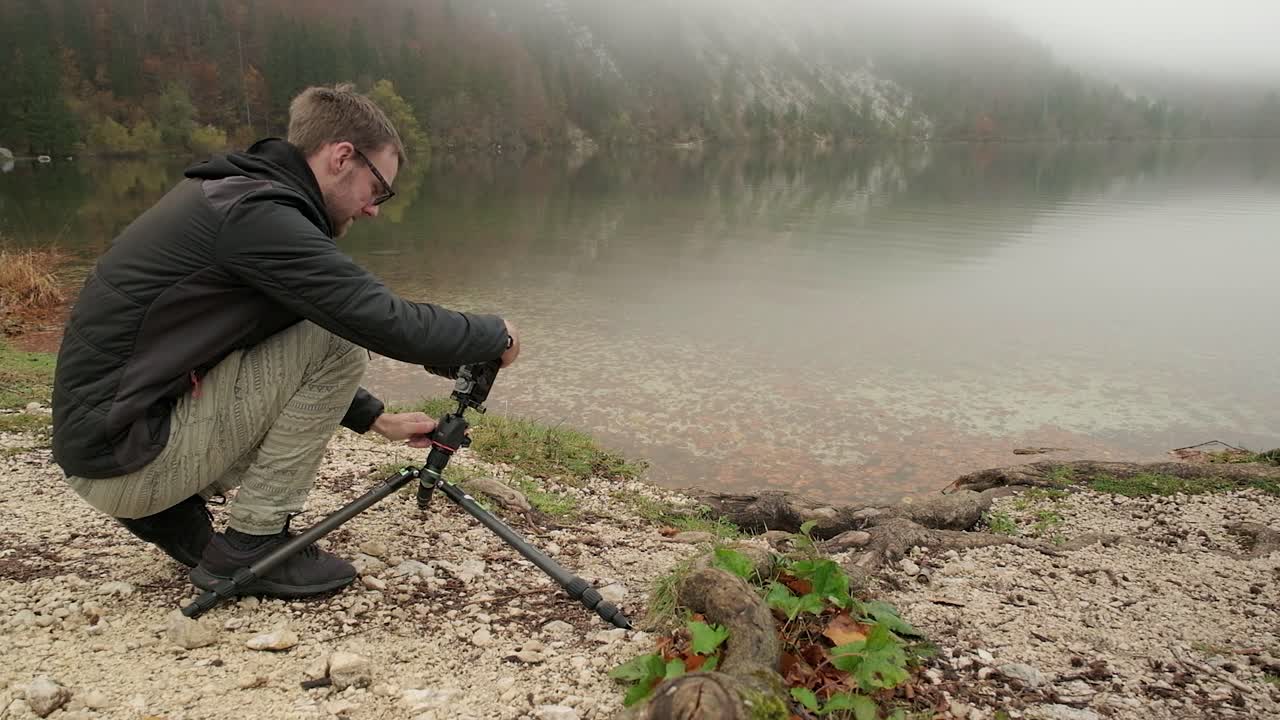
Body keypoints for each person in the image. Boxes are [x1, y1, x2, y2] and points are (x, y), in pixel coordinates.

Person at [50, 83, 520, 599]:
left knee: (321, 327)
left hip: (109, 448)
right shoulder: (258, 216)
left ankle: (172, 517)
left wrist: (373, 418)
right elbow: (386, 321)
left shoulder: (237, 196)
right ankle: (254, 545)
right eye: (378, 188)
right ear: (343, 157)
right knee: (337, 341)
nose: (374, 210)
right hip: (127, 461)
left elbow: (266, 339)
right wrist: (493, 334)